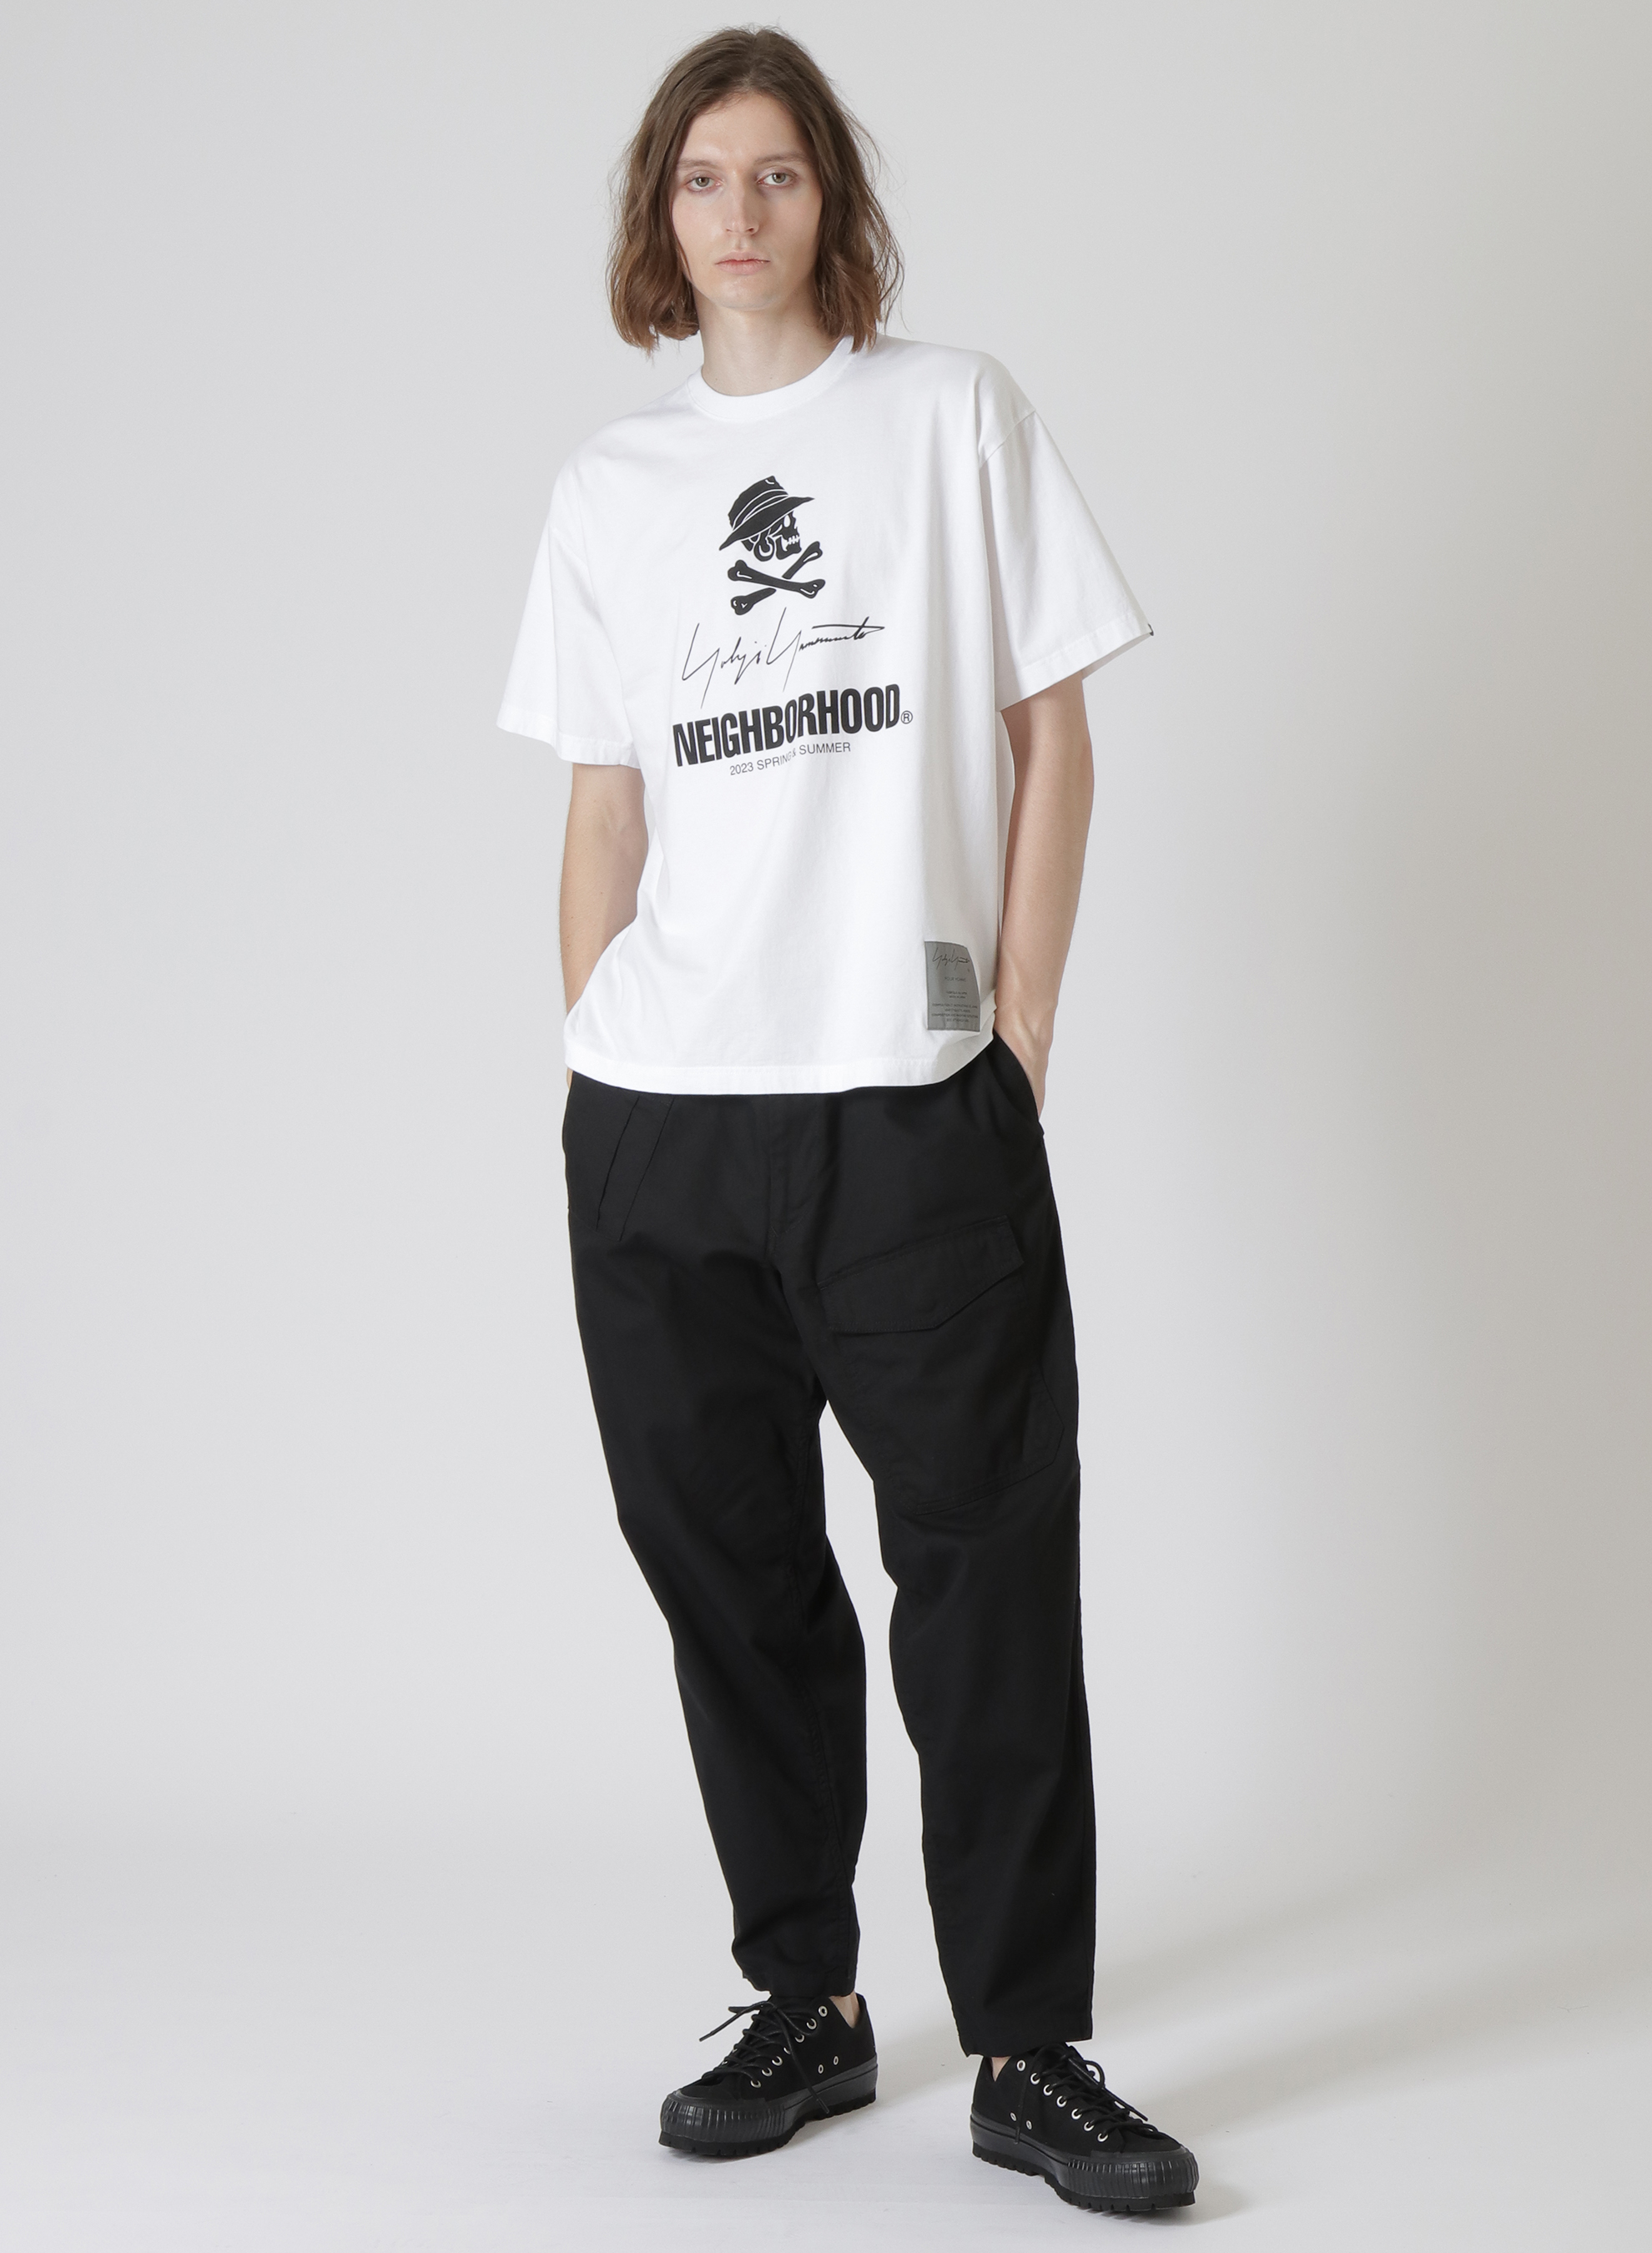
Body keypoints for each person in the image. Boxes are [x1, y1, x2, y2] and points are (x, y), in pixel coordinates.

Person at [497, 25, 1197, 2217]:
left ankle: (1030, 2042)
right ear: (661, 214)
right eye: (702, 176)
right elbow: (602, 807)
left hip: (909, 1115)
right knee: (730, 1576)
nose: (740, 211)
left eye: (777, 172)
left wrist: (1019, 1029)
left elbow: (1051, 733)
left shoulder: (949, 418)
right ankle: (802, 1993)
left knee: (983, 1570)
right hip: (665, 1130)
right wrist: (599, 1051)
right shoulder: (610, 492)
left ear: (831, 202)